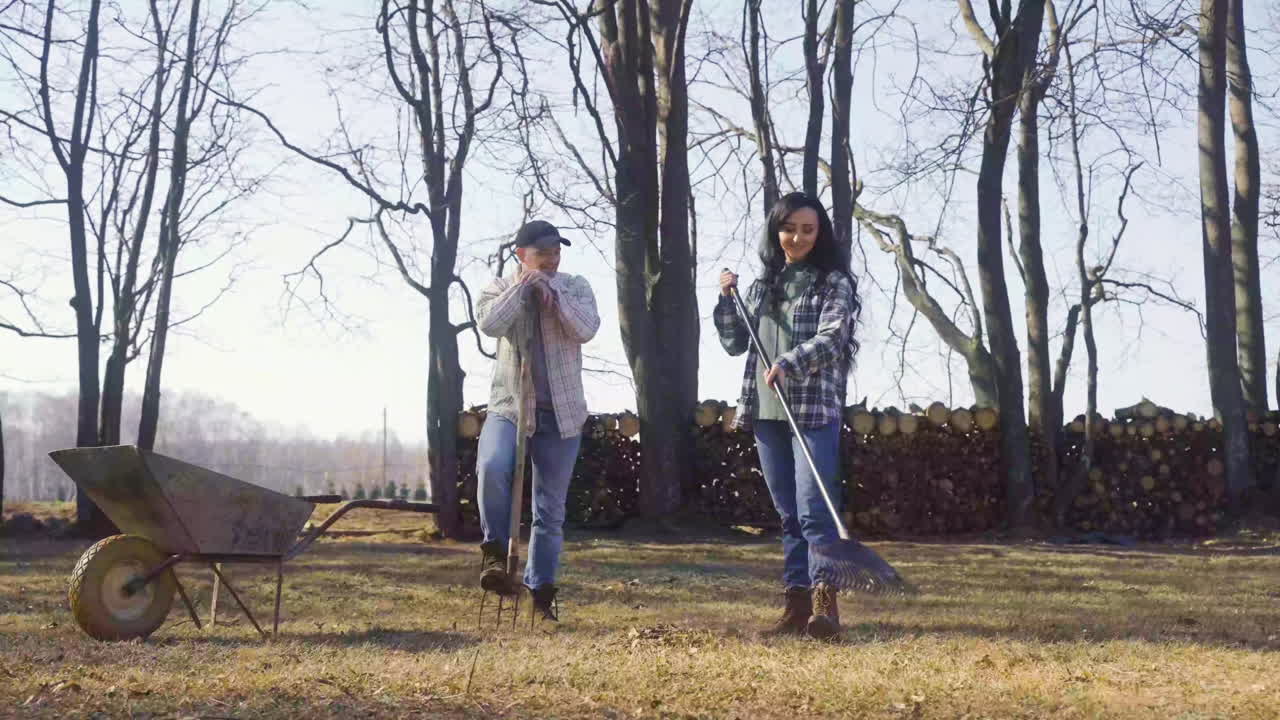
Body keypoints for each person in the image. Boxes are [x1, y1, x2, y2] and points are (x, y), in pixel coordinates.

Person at [714, 192, 863, 639]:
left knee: (814, 509)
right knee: (788, 515)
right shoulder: (761, 286)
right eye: (789, 228)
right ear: (776, 230)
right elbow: (733, 342)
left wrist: (790, 363)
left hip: (812, 409)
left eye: (807, 229)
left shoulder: (832, 282)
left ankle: (825, 606)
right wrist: (726, 299)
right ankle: (796, 606)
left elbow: (833, 337)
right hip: (766, 410)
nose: (796, 237)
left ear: (820, 234)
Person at [475, 219, 600, 622]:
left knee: (550, 510)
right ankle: (495, 555)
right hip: (510, 406)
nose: (551, 259)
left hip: (561, 414)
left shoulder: (575, 285)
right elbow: (490, 323)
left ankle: (540, 591)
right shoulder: (498, 288)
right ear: (521, 254)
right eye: (543, 252)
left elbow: (587, 329)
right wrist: (523, 288)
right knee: (492, 467)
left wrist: (554, 296)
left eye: (556, 251)